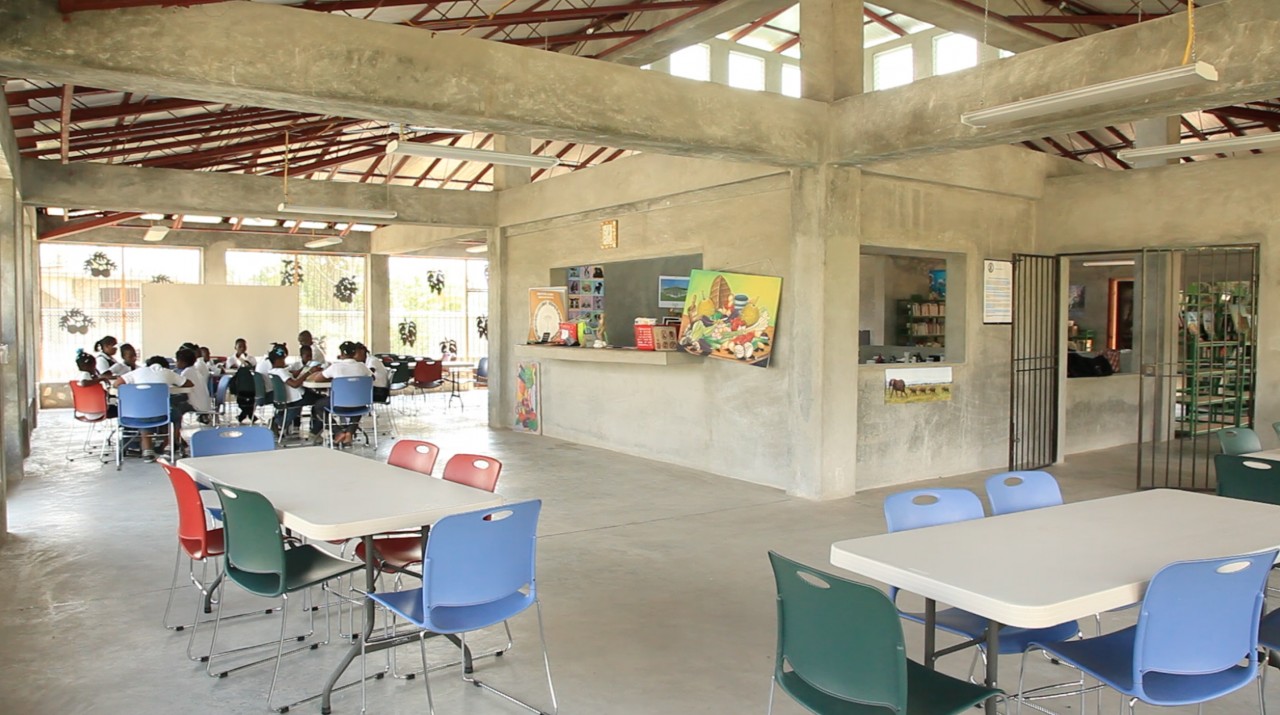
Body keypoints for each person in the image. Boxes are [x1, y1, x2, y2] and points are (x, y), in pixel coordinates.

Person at [114, 355, 193, 462]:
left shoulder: (137, 372)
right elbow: (189, 384)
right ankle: (169, 446)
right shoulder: (168, 372)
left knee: (144, 412)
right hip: (163, 415)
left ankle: (147, 450)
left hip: (136, 414)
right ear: (165, 366)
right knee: (176, 415)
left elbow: (116, 384)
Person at [308, 341, 372, 445]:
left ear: (341, 354)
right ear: (354, 353)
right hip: (359, 403)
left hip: (338, 404)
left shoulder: (335, 367)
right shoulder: (362, 366)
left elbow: (318, 379)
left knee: (318, 405)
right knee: (358, 404)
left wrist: (334, 379)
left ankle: (337, 431)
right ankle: (350, 432)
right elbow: (372, 378)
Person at [266, 345, 322, 437]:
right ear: (278, 360)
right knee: (322, 401)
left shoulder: (273, 371)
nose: (284, 362)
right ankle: (315, 430)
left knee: (317, 398)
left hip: (289, 397)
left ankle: (277, 420)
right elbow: (295, 384)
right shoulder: (281, 371)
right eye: (283, 360)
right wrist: (309, 372)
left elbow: (293, 375)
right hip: (298, 397)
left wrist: (305, 368)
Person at [73, 351, 118, 419]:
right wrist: (101, 379)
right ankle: (125, 425)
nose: (95, 368)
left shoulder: (78, 375)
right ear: (86, 367)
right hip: (98, 411)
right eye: (93, 366)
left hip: (84, 411)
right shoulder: (85, 374)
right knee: (122, 408)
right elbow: (84, 383)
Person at [175, 347, 212, 423]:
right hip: (204, 404)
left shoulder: (187, 372)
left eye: (177, 361)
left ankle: (175, 426)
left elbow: (178, 385)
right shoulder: (194, 370)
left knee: (173, 407)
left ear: (183, 362)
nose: (176, 363)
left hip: (196, 405)